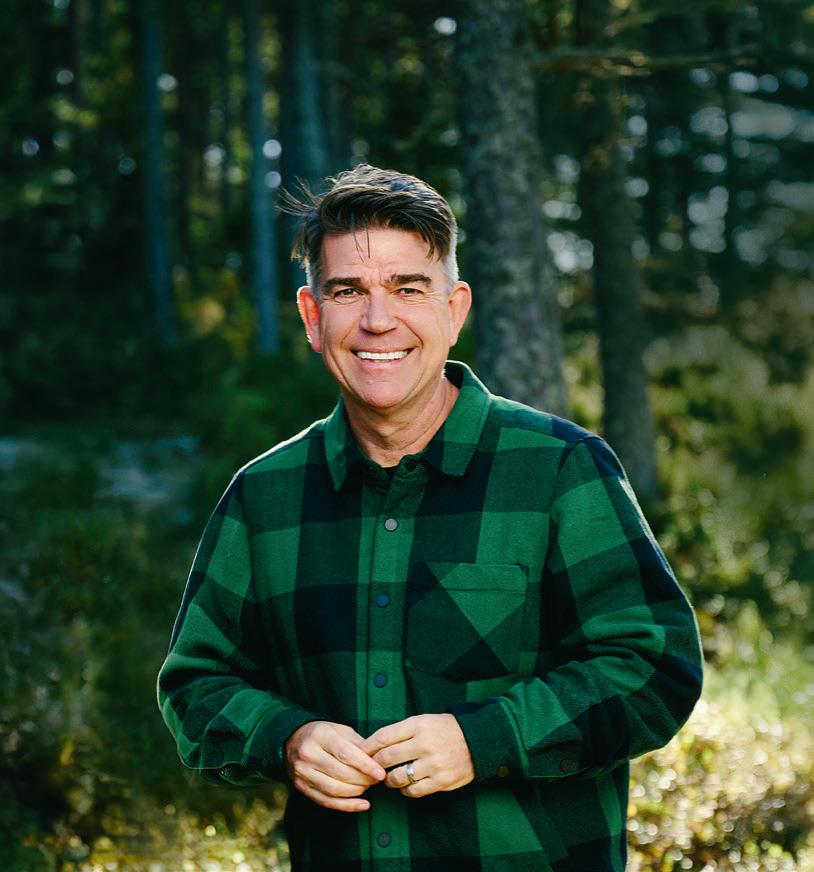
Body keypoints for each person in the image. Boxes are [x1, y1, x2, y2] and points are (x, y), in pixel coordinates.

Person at [157, 164, 703, 871]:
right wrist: (284, 739)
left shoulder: (560, 470)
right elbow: (196, 685)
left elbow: (654, 667)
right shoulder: (264, 497)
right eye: (347, 291)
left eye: (408, 288)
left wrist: (486, 741)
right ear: (312, 317)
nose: (377, 319)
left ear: (454, 308)